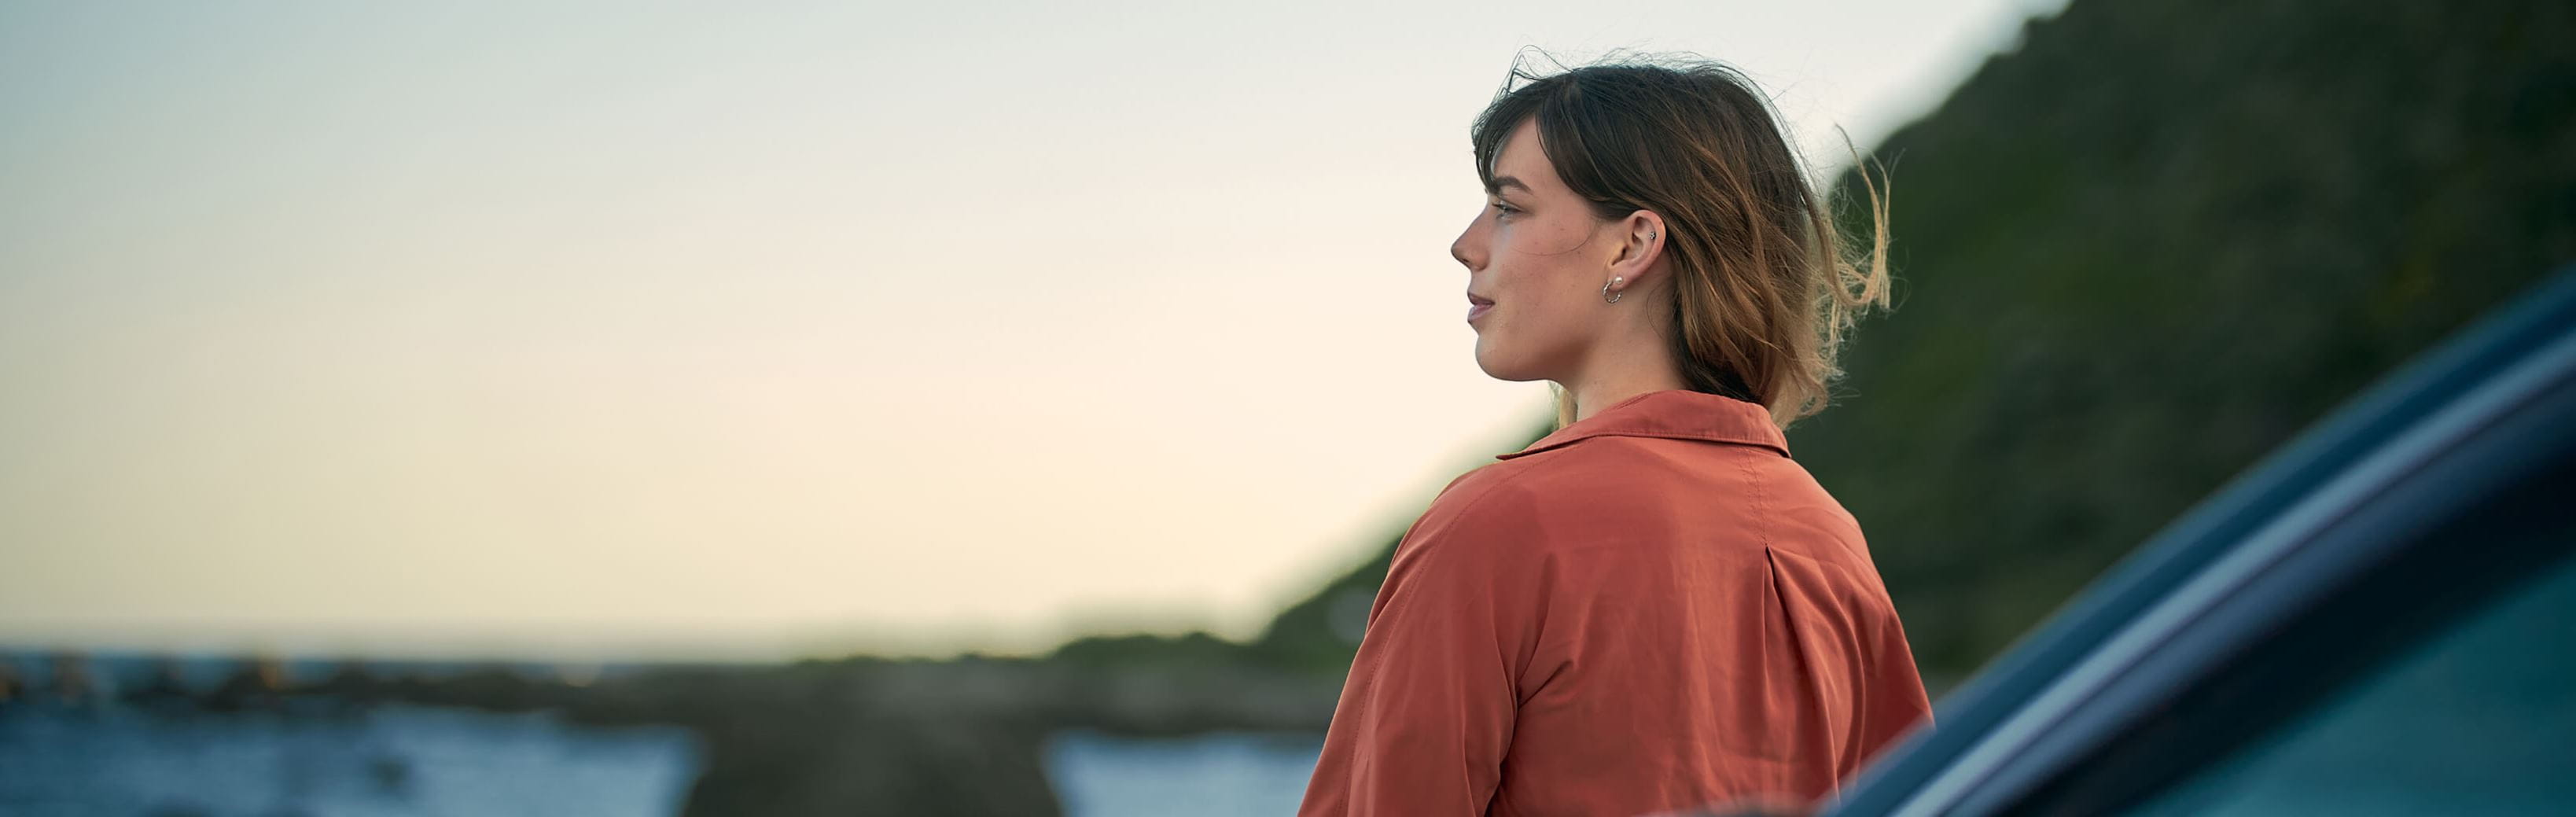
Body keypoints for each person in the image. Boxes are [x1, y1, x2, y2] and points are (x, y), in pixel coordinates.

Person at [1296, 55, 1932, 817]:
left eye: (1508, 207)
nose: (1466, 244)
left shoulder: (1498, 528)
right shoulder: (1832, 541)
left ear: (1632, 246)